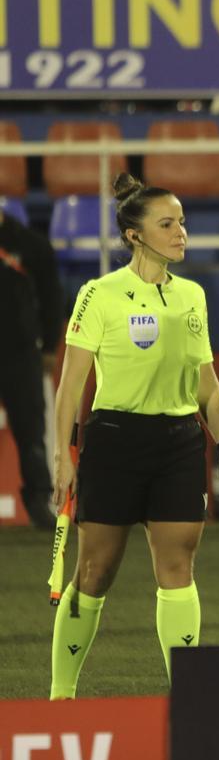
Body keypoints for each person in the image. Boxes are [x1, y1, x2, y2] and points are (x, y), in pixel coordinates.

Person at [49, 174, 219, 699]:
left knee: (178, 567)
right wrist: (63, 455)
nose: (181, 232)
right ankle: (61, 695)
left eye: (182, 222)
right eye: (167, 224)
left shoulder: (193, 297)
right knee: (94, 572)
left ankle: (188, 696)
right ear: (135, 236)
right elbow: (70, 387)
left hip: (180, 443)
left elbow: (207, 384)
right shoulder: (98, 295)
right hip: (115, 441)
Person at [0, 205, 62, 529]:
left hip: (20, 352)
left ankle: (39, 499)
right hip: (20, 351)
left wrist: (50, 345)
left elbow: (52, 296)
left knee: (31, 431)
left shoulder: (30, 244)